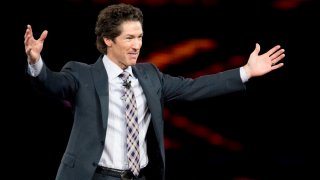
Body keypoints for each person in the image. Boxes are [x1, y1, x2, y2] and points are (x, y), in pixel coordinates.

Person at [24, 3, 285, 180]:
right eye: (129, 38)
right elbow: (52, 84)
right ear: (108, 40)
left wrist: (246, 71)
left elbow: (194, 88)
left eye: (139, 37)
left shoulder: (150, 75)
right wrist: (36, 62)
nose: (137, 45)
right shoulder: (83, 74)